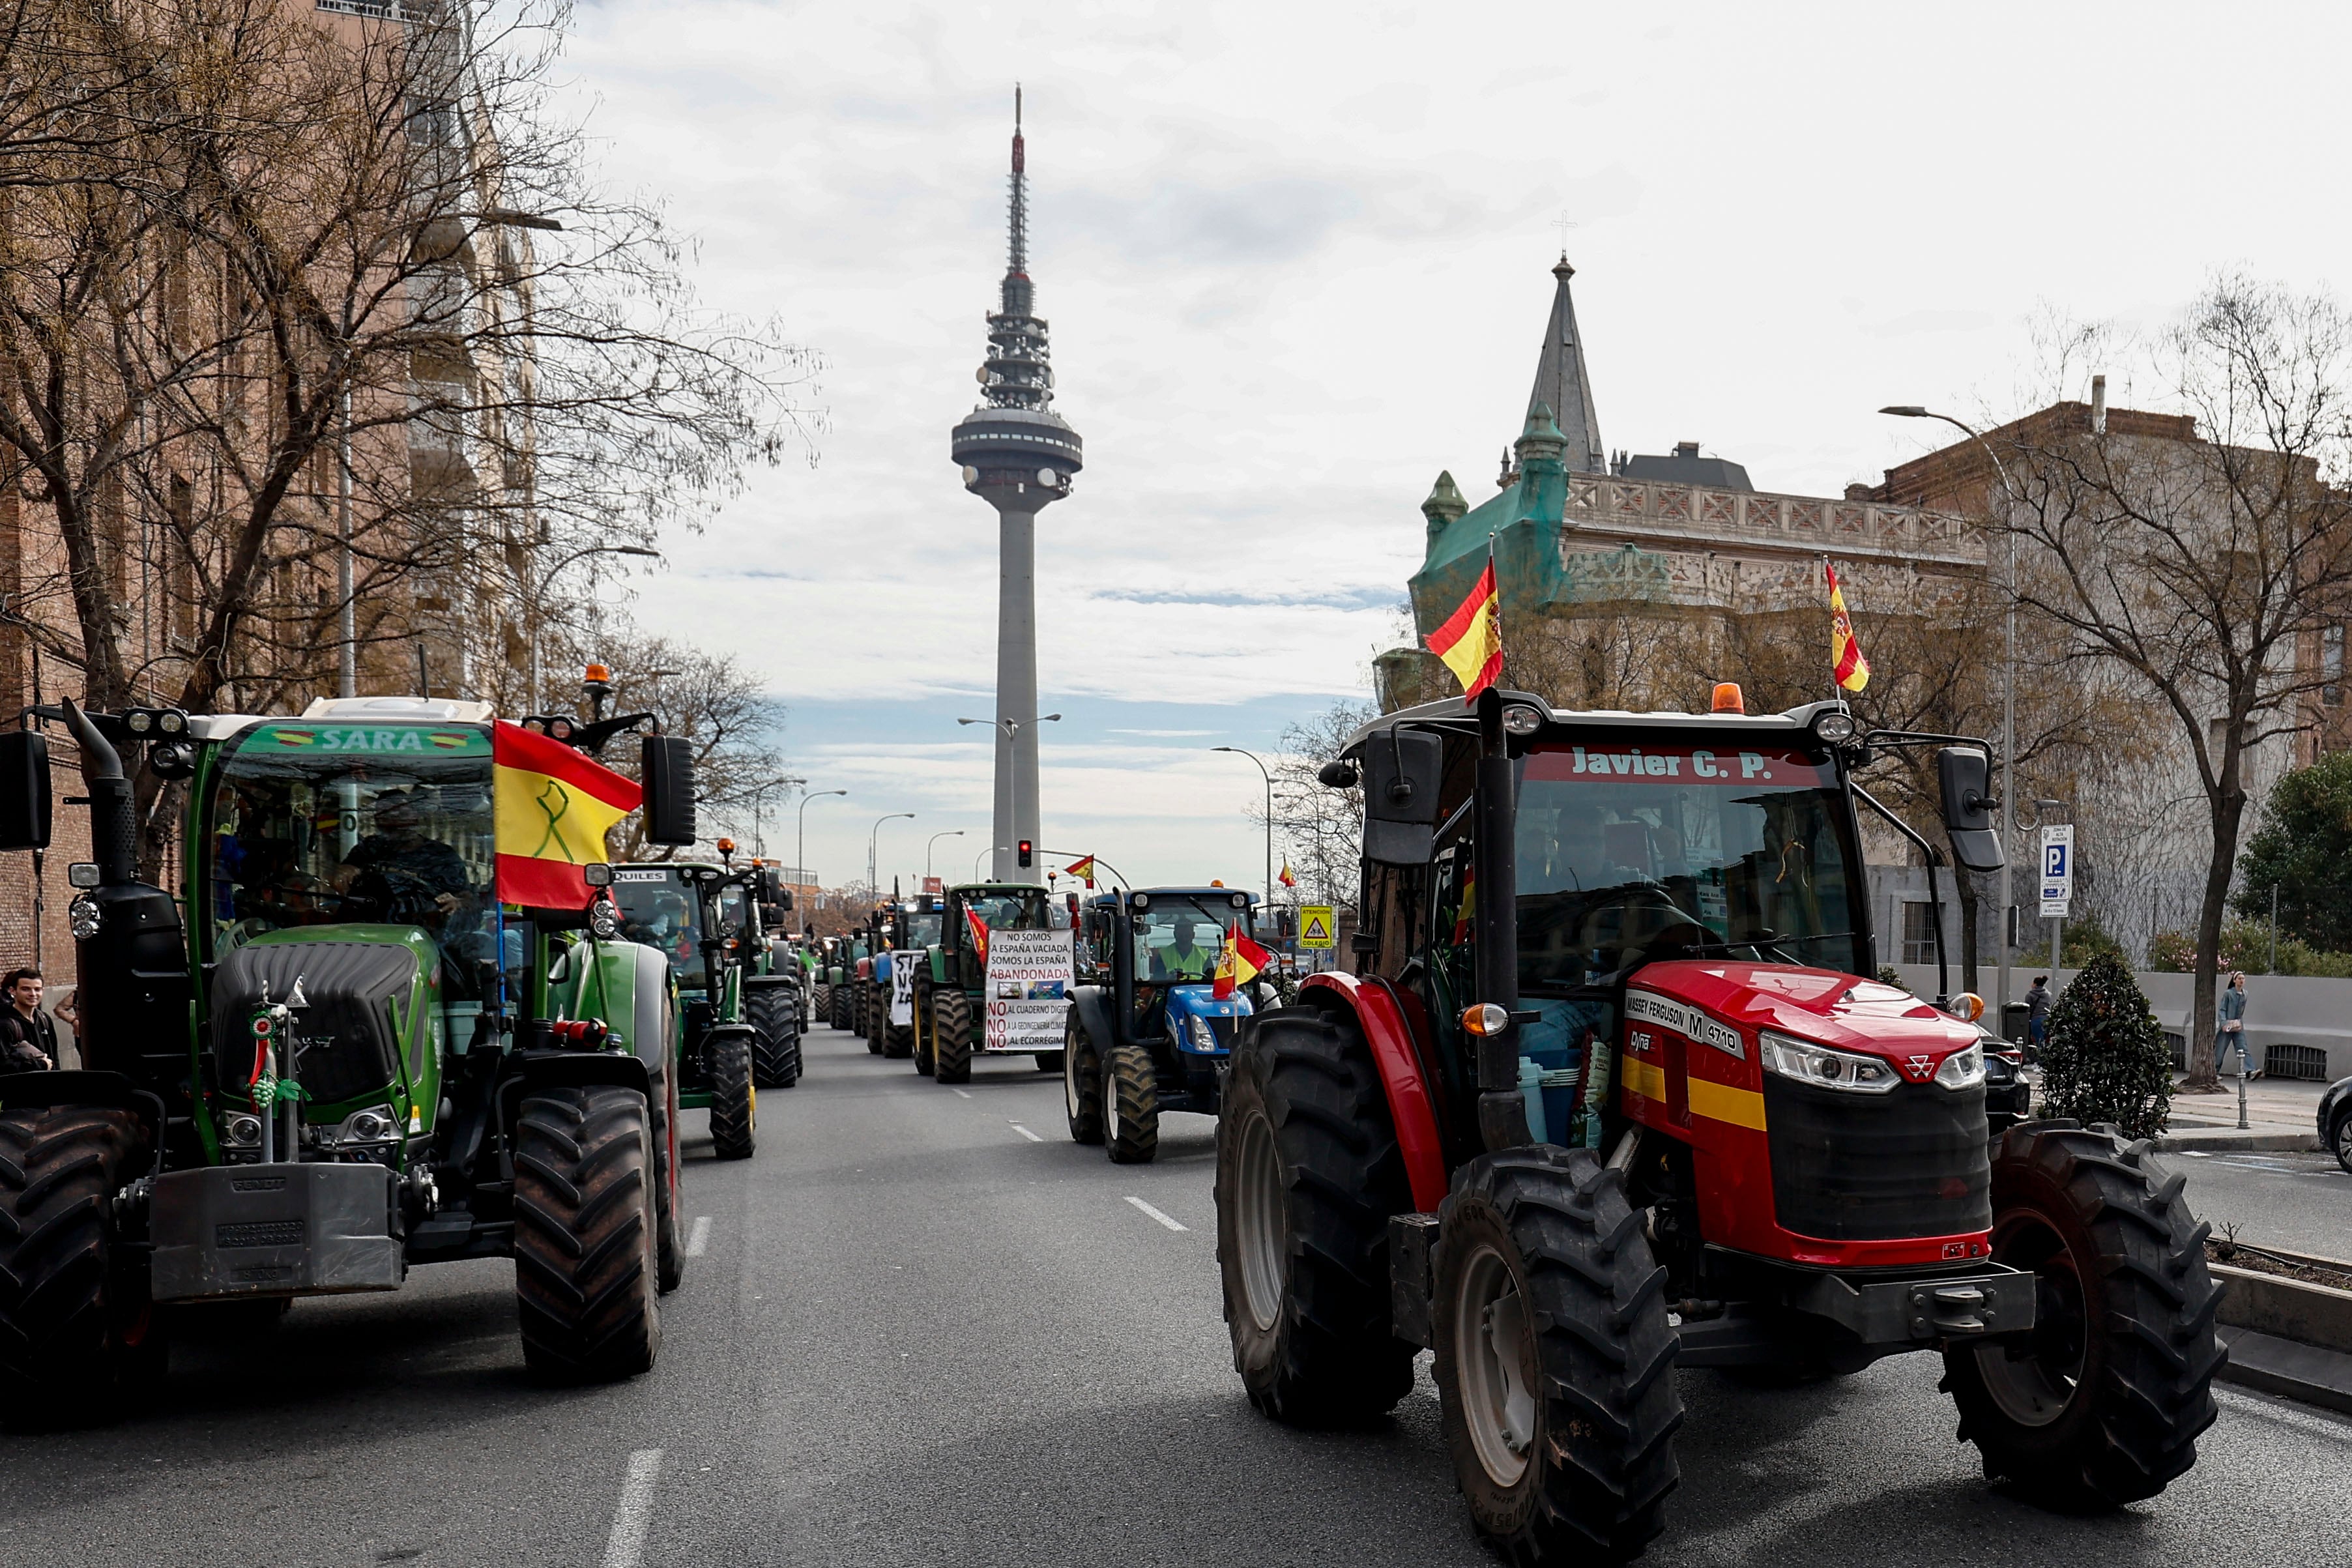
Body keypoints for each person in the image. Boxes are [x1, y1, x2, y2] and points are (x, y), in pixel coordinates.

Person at [0, 968, 59, 1074]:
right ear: (13, 991)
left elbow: (54, 1056)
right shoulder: (5, 1024)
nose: (33, 994)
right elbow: (3, 1065)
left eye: (37, 989)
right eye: (25, 989)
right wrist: (41, 1065)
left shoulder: (44, 1019)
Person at [2216, 971, 2256, 1079]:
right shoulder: (2228, 994)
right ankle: (2214, 1071)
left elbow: (2241, 1011)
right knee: (2220, 1048)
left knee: (2243, 1047)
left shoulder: (2245, 994)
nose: (2241, 980)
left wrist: (2239, 1023)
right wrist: (2224, 1023)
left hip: (2238, 1025)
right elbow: (2222, 1010)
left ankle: (2250, 1071)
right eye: (2239, 978)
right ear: (2234, 980)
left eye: (2243, 978)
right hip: (2228, 1025)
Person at [1150, 922, 1217, 982]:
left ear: (1193, 935)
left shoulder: (1204, 955)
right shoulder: (1163, 954)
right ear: (1174, 935)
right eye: (1180, 936)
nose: (1184, 939)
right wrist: (1169, 979)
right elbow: (1158, 981)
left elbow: (1210, 982)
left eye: (1187, 936)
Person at [2025, 975, 2051, 1051]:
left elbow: (2028, 1009)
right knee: (2045, 1041)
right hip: (2047, 1019)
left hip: (2036, 1020)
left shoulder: (2030, 996)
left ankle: (2041, 1060)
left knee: (2038, 1041)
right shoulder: (2048, 995)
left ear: (2035, 984)